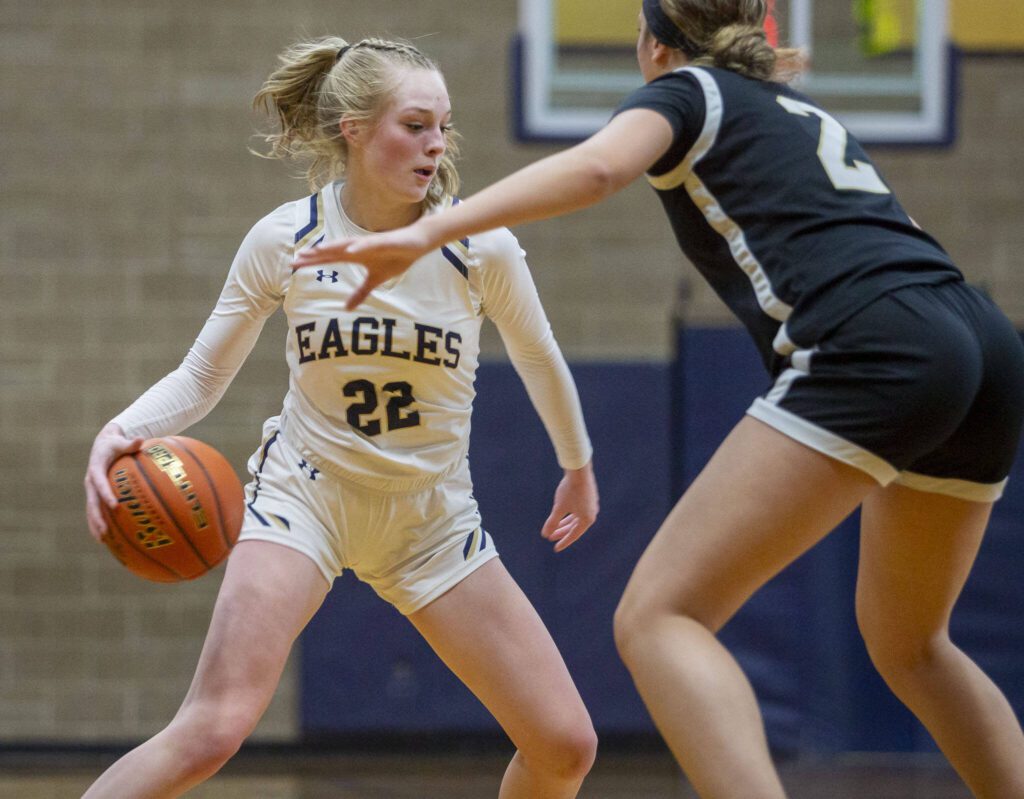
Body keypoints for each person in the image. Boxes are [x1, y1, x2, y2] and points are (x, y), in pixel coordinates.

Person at [292, 2, 1024, 797]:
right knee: (912, 642)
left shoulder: (685, 92)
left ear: (653, 46)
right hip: (980, 338)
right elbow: (897, 233)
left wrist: (425, 233)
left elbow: (601, 168)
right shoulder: (798, 110)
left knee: (657, 617)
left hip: (877, 345)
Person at [82, 35, 600, 799]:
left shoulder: (479, 245)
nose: (435, 145)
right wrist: (118, 430)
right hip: (305, 500)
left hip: (431, 521)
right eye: (414, 124)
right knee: (213, 728)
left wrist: (579, 465)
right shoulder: (285, 238)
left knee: (565, 744)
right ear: (355, 129)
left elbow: (540, 357)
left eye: (443, 127)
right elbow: (202, 374)